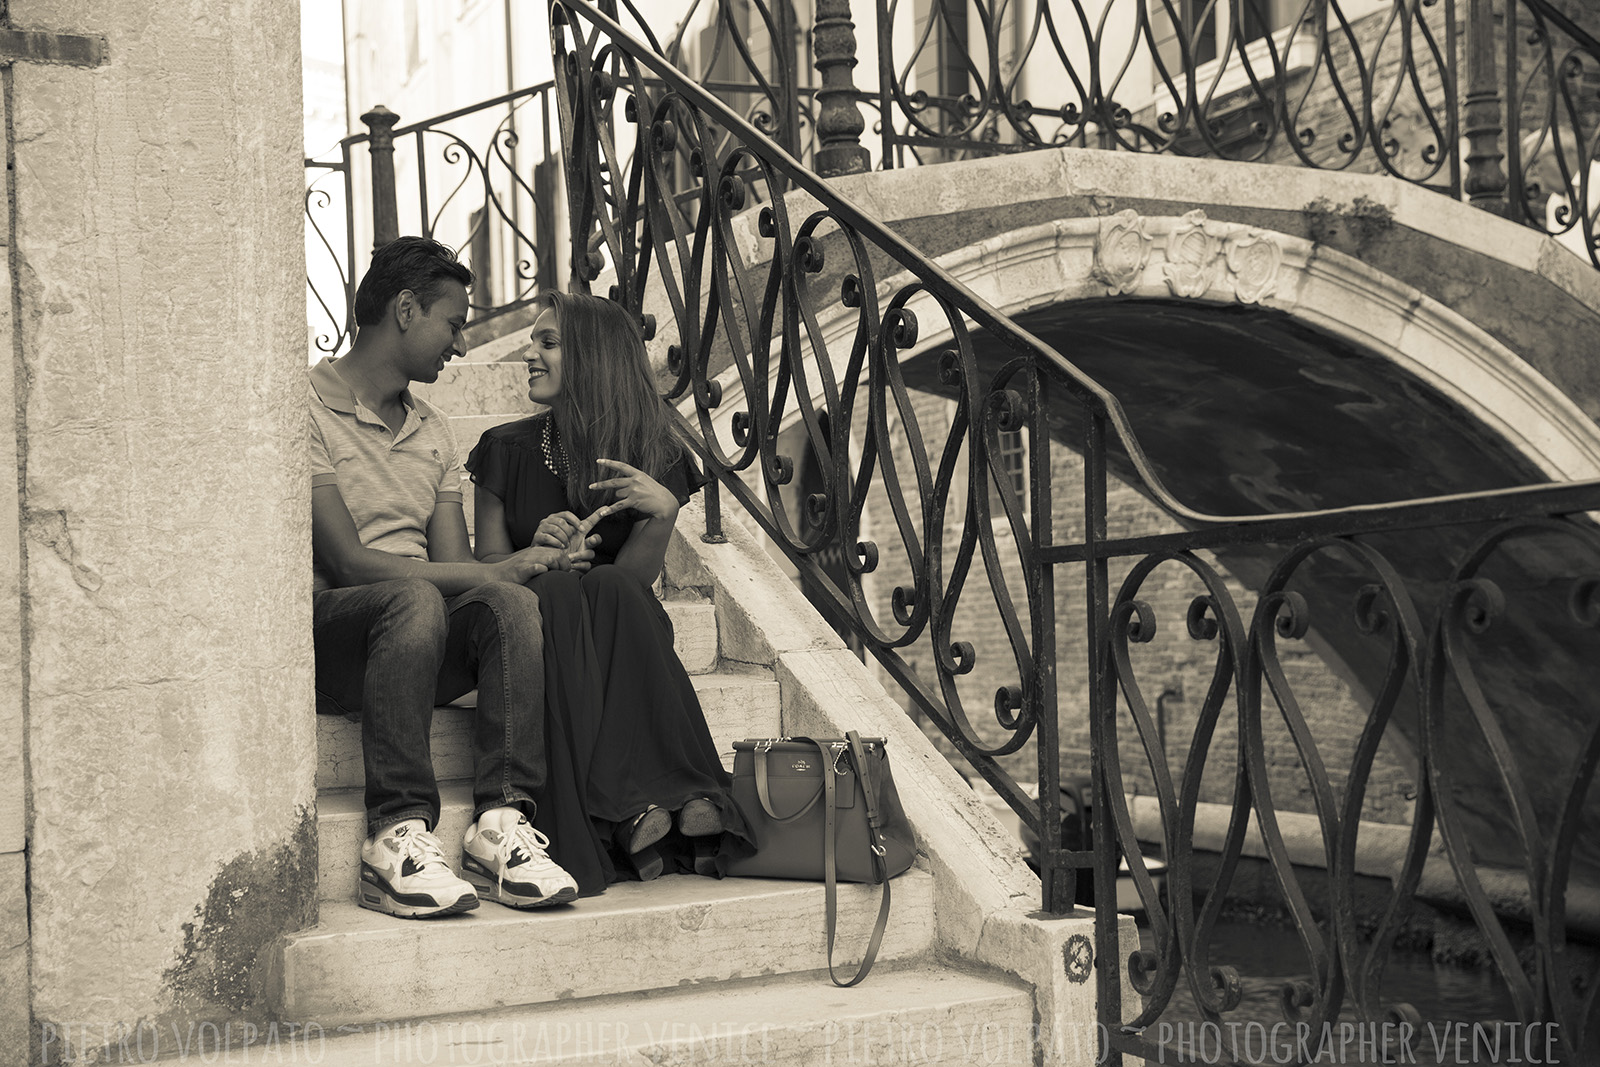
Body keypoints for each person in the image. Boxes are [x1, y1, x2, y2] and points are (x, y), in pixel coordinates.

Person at [310, 237, 581, 918]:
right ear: (405, 309)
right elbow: (343, 560)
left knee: (506, 601)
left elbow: (457, 568)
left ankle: (501, 827)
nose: (459, 344)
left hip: (418, 633)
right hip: (337, 637)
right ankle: (396, 833)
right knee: (412, 595)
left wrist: (517, 566)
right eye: (453, 323)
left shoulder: (435, 430)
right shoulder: (304, 405)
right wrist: (465, 574)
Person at [466, 290, 751, 893]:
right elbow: (488, 567)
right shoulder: (504, 449)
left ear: (592, 358)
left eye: (547, 343)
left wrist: (663, 514)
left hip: (615, 626)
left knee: (612, 585)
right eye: (531, 342)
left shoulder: (655, 453)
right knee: (567, 593)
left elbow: (635, 584)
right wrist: (535, 555)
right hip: (540, 619)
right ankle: (669, 794)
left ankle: (626, 812)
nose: (530, 356)